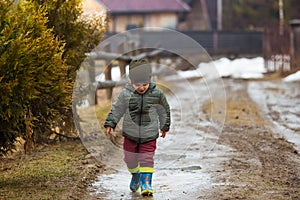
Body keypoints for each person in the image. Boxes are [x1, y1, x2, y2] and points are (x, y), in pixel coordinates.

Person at [104, 59, 171, 196]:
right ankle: (136, 176)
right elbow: (117, 109)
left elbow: (164, 110)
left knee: (147, 158)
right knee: (130, 159)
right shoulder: (125, 94)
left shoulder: (157, 94)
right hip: (130, 134)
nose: (141, 88)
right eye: (137, 84)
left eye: (145, 84)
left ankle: (146, 183)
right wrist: (111, 123)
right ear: (130, 82)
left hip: (149, 134)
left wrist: (164, 126)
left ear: (150, 80)